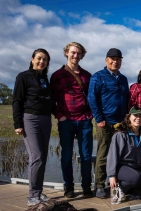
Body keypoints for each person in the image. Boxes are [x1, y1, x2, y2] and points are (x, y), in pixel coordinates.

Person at [50, 42, 93, 198]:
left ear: (82, 55)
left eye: (79, 53)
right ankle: (69, 187)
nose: (75, 55)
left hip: (84, 121)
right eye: (73, 52)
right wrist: (59, 115)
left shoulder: (87, 76)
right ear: (66, 53)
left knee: (86, 155)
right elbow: (51, 99)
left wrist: (90, 115)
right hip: (66, 121)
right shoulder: (57, 75)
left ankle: (86, 187)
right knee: (67, 155)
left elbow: (92, 97)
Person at [12, 48, 55, 206]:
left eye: (45, 60)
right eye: (39, 58)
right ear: (32, 59)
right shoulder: (23, 76)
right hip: (30, 119)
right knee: (36, 157)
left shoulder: (45, 79)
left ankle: (38, 191)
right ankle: (32, 197)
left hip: (45, 119)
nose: (42, 62)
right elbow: (17, 100)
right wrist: (18, 124)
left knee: (42, 158)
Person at [88, 48, 129, 198]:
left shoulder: (123, 79)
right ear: (106, 60)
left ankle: (116, 185)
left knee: (120, 154)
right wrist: (99, 119)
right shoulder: (98, 77)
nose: (115, 61)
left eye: (118, 59)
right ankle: (99, 185)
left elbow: (126, 100)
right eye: (112, 59)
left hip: (120, 123)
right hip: (105, 123)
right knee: (103, 154)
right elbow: (92, 99)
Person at [106, 106, 141, 204]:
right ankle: (119, 188)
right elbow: (113, 155)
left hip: (136, 168)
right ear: (129, 117)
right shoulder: (121, 134)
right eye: (135, 115)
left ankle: (128, 191)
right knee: (135, 178)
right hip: (122, 167)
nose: (138, 118)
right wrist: (111, 175)